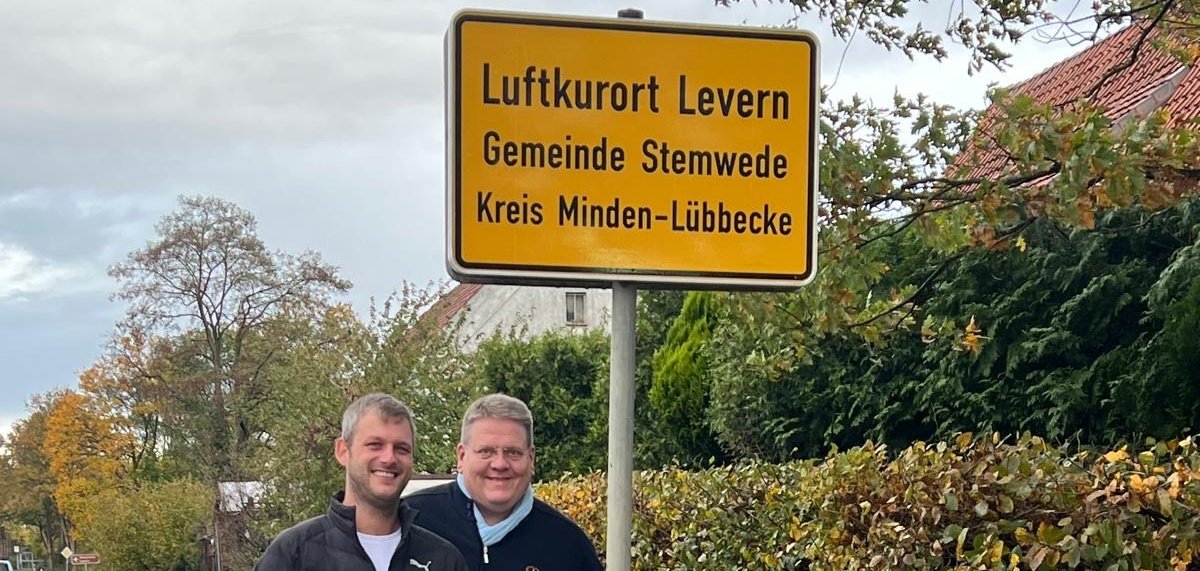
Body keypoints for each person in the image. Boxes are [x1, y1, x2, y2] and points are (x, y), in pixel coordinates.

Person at [255, 393, 468, 571]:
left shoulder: (443, 559)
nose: (389, 458)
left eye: (401, 448)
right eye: (375, 445)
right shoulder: (294, 553)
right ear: (342, 451)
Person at [405, 393, 603, 571]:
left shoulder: (567, 543)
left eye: (513, 452)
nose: (500, 464)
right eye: (486, 452)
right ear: (461, 456)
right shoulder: (409, 520)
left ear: (531, 458)